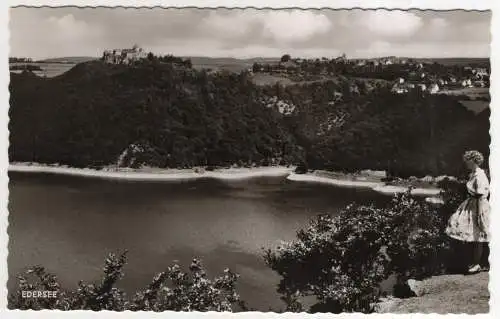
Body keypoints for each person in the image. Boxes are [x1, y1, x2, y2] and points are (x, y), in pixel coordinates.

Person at [445, 150, 490, 273]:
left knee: (478, 235)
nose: (467, 164)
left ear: (474, 161)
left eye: (468, 161)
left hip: (478, 205)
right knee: (468, 232)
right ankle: (472, 262)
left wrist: (481, 214)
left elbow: (481, 193)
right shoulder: (473, 174)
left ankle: (477, 263)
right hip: (471, 204)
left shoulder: (480, 175)